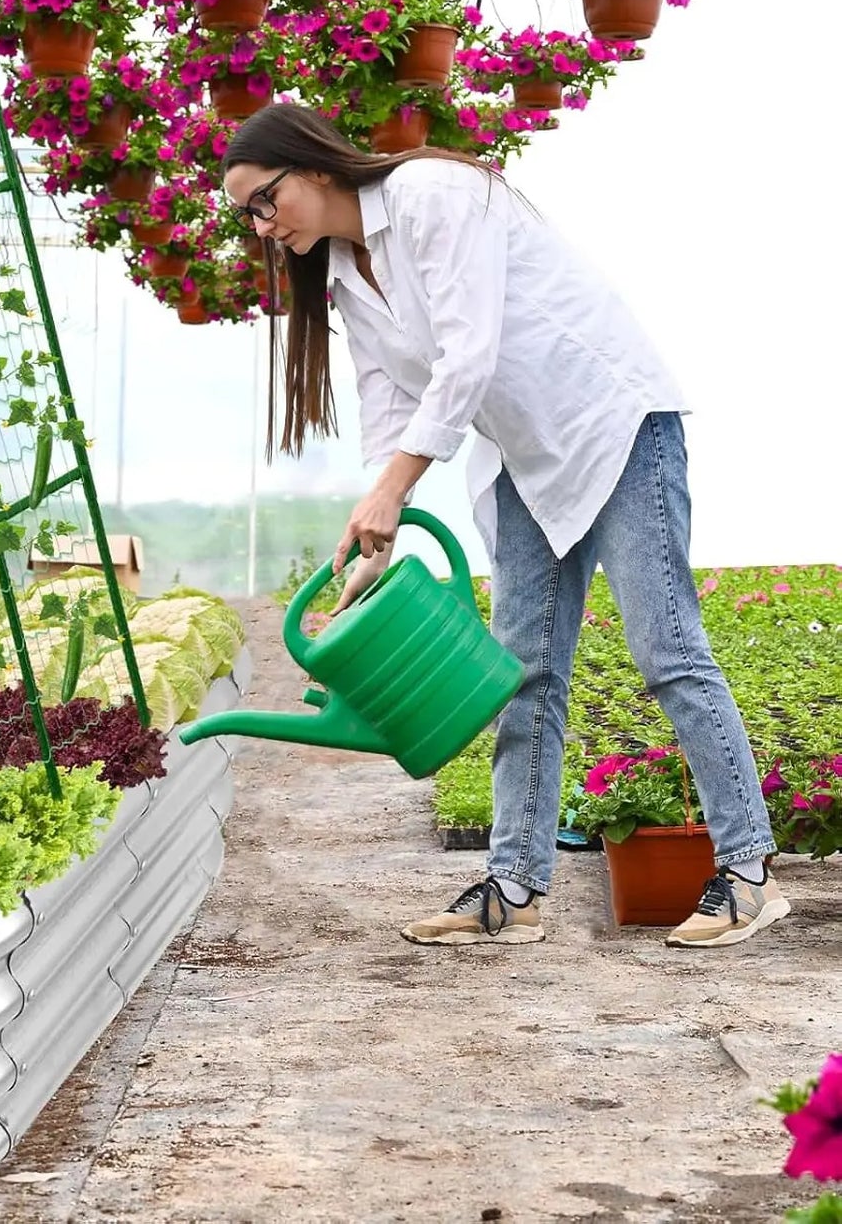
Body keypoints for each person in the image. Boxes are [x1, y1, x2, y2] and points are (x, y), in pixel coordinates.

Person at [222, 103, 787, 950]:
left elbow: (468, 348)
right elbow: (388, 394)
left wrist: (397, 485)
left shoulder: (430, 193)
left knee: (665, 647)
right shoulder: (342, 270)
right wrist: (385, 519)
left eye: (263, 202)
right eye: (246, 218)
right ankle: (513, 887)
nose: (262, 228)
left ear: (312, 166)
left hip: (614, 422)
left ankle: (748, 873)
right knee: (520, 670)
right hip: (521, 455)